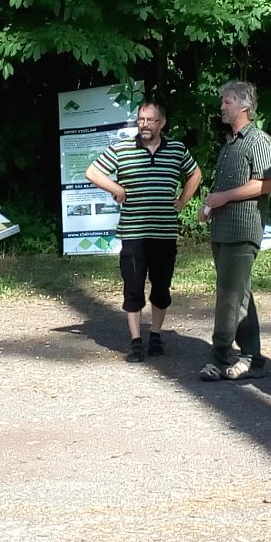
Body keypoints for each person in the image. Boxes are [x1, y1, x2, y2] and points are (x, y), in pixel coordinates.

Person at [84, 102, 202, 361]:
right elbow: (92, 172)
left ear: (162, 122)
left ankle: (156, 336)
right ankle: (136, 341)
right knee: (133, 288)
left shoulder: (176, 149)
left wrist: (183, 200)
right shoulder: (122, 148)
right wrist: (116, 189)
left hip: (164, 233)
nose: (144, 125)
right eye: (141, 120)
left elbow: (195, 174)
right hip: (134, 233)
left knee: (161, 289)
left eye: (150, 120)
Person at [196, 82, 271, 382]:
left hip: (242, 232)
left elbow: (265, 183)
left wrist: (224, 197)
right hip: (223, 230)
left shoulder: (259, 140)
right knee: (239, 295)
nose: (222, 107)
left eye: (227, 102)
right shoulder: (230, 144)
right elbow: (224, 191)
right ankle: (252, 358)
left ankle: (219, 358)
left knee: (229, 296)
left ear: (244, 106)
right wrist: (210, 206)